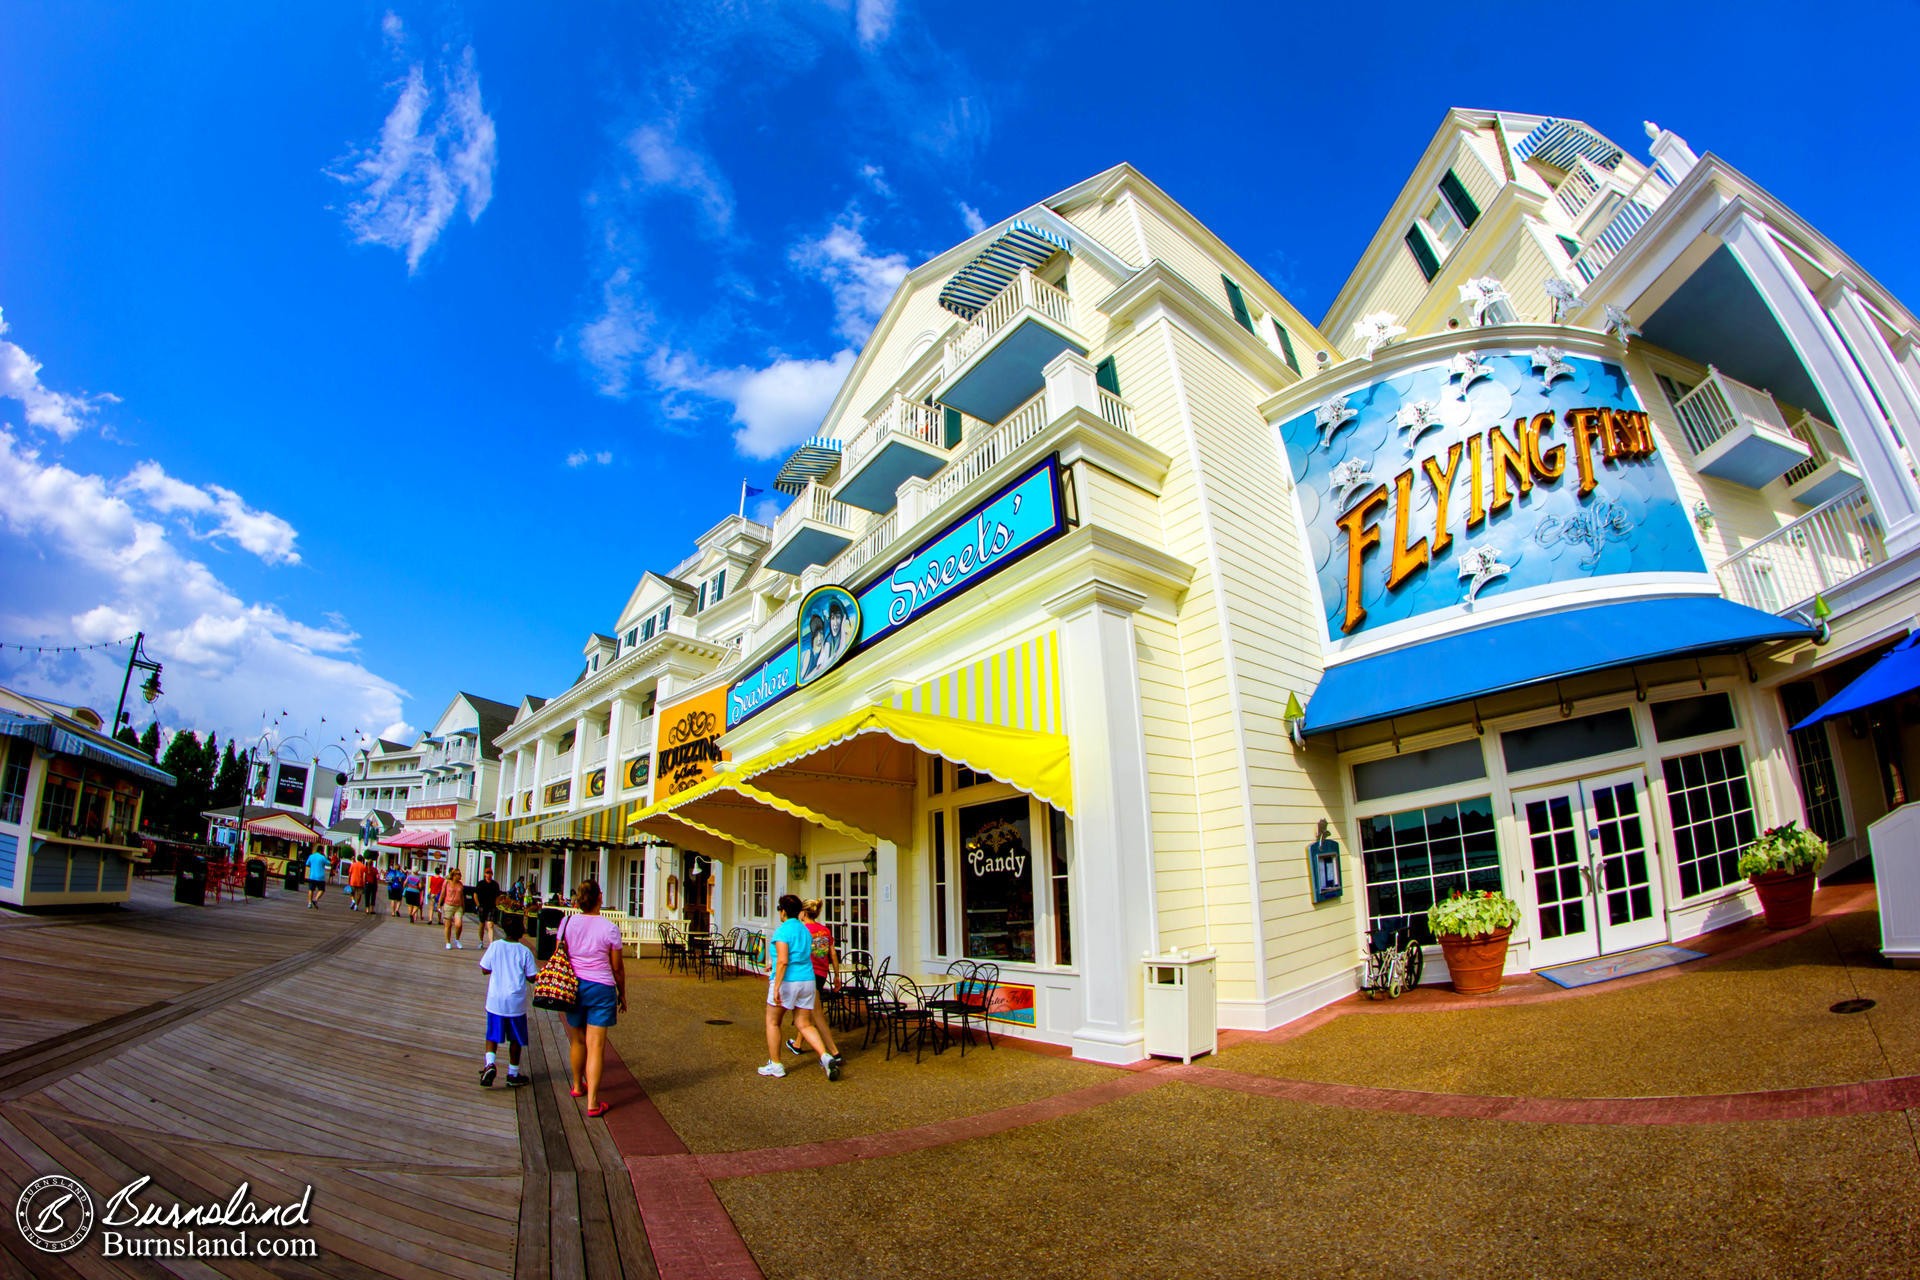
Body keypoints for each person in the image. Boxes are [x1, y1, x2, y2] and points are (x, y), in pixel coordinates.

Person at [555, 880, 625, 1118]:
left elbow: (559, 953)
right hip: (601, 987)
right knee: (596, 1045)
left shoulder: (566, 923)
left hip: (573, 986)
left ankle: (577, 1086)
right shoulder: (609, 928)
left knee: (577, 1040)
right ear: (600, 898)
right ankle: (593, 1101)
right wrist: (622, 993)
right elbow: (617, 967)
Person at [761, 893, 839, 1081]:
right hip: (808, 980)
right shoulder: (805, 930)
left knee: (773, 1022)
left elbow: (783, 961)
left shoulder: (782, 931)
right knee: (804, 1023)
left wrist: (777, 986)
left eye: (780, 909)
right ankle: (825, 1055)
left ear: (784, 912)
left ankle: (776, 1064)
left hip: (788, 980)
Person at [478, 912, 538, 1089]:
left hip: (496, 1000)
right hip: (515, 1002)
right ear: (521, 931)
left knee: (492, 1035)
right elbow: (532, 977)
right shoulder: (524, 951)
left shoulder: (495, 946)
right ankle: (512, 1073)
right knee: (516, 1039)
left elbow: (484, 969)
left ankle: (490, 1064)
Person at [788, 899, 843, 1063]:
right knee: (809, 1009)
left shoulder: (803, 930)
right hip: (822, 974)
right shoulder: (824, 930)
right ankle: (797, 1044)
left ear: (803, 913)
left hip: (807, 974)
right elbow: (832, 954)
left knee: (814, 1013)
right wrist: (837, 975)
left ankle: (834, 1052)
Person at [474, 865, 501, 946]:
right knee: (482, 924)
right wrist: (478, 905)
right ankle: (481, 941)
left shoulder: (495, 884)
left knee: (490, 925)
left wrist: (497, 905)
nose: (489, 875)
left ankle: (491, 943)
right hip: (482, 906)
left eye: (490, 873)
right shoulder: (481, 883)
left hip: (491, 907)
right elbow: (475, 894)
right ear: (484, 874)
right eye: (487, 873)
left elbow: (498, 896)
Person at [442, 867, 467, 950]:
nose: (460, 876)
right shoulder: (447, 882)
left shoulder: (460, 884)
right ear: (454, 875)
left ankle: (457, 939)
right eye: (459, 874)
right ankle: (448, 942)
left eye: (460, 874)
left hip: (458, 906)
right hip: (448, 905)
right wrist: (439, 904)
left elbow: (462, 896)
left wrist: (463, 906)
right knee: (448, 925)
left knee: (458, 924)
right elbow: (443, 893)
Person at [304, 845, 330, 910]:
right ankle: (316, 899)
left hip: (312, 876)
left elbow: (307, 864)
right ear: (321, 851)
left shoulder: (311, 856)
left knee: (311, 889)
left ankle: (309, 903)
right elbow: (329, 863)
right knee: (322, 890)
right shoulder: (322, 857)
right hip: (320, 877)